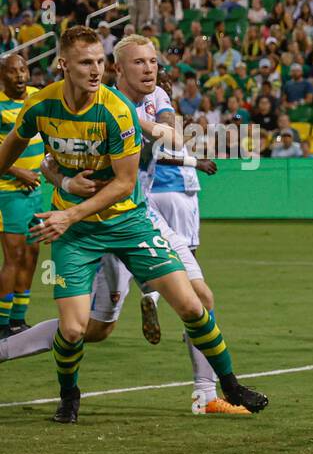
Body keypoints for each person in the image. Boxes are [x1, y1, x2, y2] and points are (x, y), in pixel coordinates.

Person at [0, 25, 267, 422]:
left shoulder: (121, 108)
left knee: (196, 303)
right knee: (79, 330)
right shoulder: (41, 106)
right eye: (85, 62)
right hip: (79, 229)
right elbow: (19, 156)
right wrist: (62, 183)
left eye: (98, 62)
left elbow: (128, 179)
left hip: (131, 220)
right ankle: (68, 394)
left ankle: (224, 386)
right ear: (63, 65)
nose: (94, 70)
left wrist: (163, 131)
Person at [0, 53, 42, 336]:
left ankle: (19, 319)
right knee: (13, 255)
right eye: (13, 71)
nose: (20, 75)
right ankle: (2, 324)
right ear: (2, 76)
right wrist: (19, 172)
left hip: (36, 190)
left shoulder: (38, 97)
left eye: (23, 69)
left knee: (32, 253)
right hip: (8, 191)